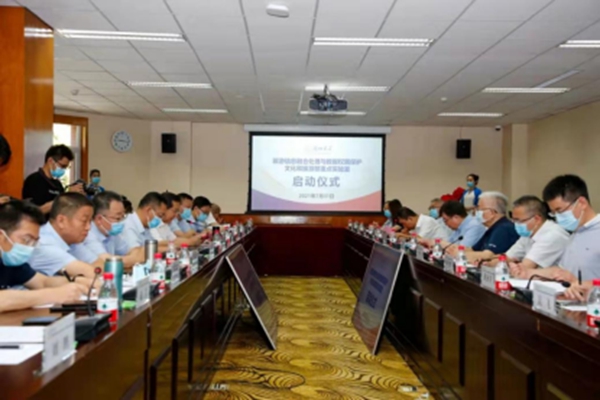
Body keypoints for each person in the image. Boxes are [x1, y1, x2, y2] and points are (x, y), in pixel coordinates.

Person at [0, 200, 93, 313]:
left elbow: (43, 282)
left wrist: (77, 282)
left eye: (34, 242)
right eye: (26, 240)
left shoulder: (11, 261)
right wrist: (52, 295)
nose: (30, 247)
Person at [529, 175, 600, 296]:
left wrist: (587, 285)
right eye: (553, 213)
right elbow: (564, 273)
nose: (558, 217)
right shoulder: (575, 233)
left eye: (560, 210)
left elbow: (583, 282)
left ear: (581, 203)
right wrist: (528, 273)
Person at [28, 193, 102, 279]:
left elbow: (100, 265)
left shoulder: (71, 240)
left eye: (90, 221)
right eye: (84, 221)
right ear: (61, 221)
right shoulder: (43, 244)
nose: (88, 227)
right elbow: (91, 273)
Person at [70, 191, 144, 269]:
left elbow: (131, 251)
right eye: (117, 218)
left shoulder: (111, 232)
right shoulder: (88, 234)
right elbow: (106, 262)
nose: (121, 222)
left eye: (123, 217)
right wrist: (134, 259)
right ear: (99, 219)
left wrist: (134, 257)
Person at [505, 196, 569, 278]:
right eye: (514, 220)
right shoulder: (528, 233)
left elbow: (523, 271)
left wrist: (512, 266)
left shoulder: (552, 235)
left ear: (537, 219)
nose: (515, 224)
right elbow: (505, 259)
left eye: (519, 220)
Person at [22, 144, 84, 215]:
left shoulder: (57, 184)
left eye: (66, 167)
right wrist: (65, 196)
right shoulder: (34, 180)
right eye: (62, 166)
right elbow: (35, 212)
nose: (63, 170)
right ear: (50, 161)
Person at [461, 192, 519, 262]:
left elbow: (487, 256)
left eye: (479, 209)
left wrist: (460, 254)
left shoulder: (503, 229)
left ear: (492, 213)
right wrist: (455, 249)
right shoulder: (492, 228)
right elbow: (473, 249)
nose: (476, 212)